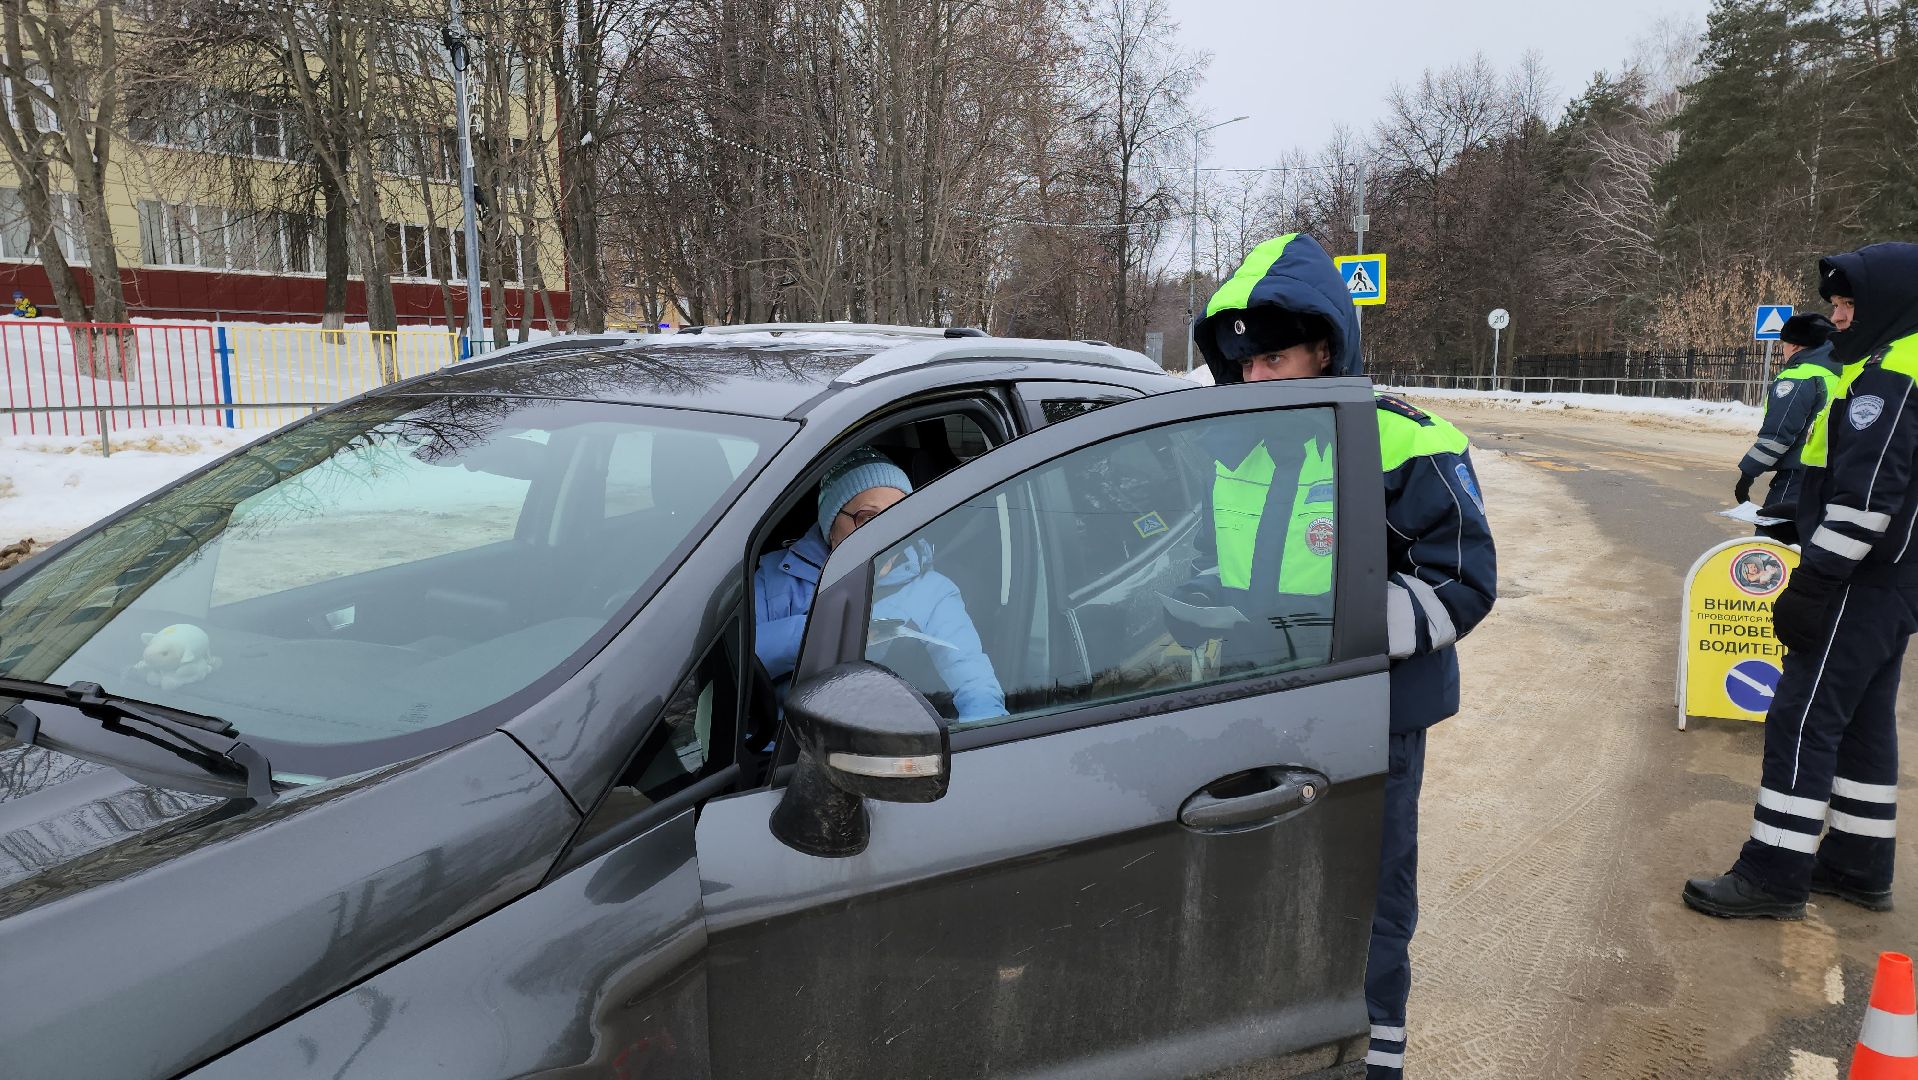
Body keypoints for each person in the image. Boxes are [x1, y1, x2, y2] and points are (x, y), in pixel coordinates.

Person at [1184, 232, 1498, 1080]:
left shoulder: (1404, 441)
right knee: (1251, 894)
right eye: (1244, 364)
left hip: (1371, 720)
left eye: (1276, 358)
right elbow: (1217, 560)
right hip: (1255, 709)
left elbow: (1462, 582)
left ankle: (1370, 1063)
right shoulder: (1227, 440)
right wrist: (1191, 606)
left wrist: (1338, 646)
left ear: (1327, 346)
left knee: (1366, 908)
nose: (1255, 379)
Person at [1685, 240, 1918, 920]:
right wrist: (1792, 521)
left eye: (1850, 304)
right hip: (1894, 579)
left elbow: (1870, 495)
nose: (1839, 316)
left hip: (1859, 580)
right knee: (1865, 720)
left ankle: (1774, 872)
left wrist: (1815, 579)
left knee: (1802, 715)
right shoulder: (1888, 364)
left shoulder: (1890, 377)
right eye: (1837, 305)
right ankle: (1858, 861)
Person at [753, 448, 1004, 724]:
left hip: (885, 753)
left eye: (897, 517)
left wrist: (986, 742)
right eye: (868, 518)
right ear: (831, 522)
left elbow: (974, 681)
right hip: (779, 750)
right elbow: (737, 667)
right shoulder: (775, 578)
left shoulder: (932, 591)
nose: (885, 534)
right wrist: (820, 634)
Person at [1735, 312, 1840, 524]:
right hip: (1832, 473)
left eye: (1784, 343)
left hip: (1797, 475)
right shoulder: (1840, 373)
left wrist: (1747, 475)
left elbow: (1779, 434)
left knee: (1772, 542)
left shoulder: (1799, 376)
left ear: (1795, 346)